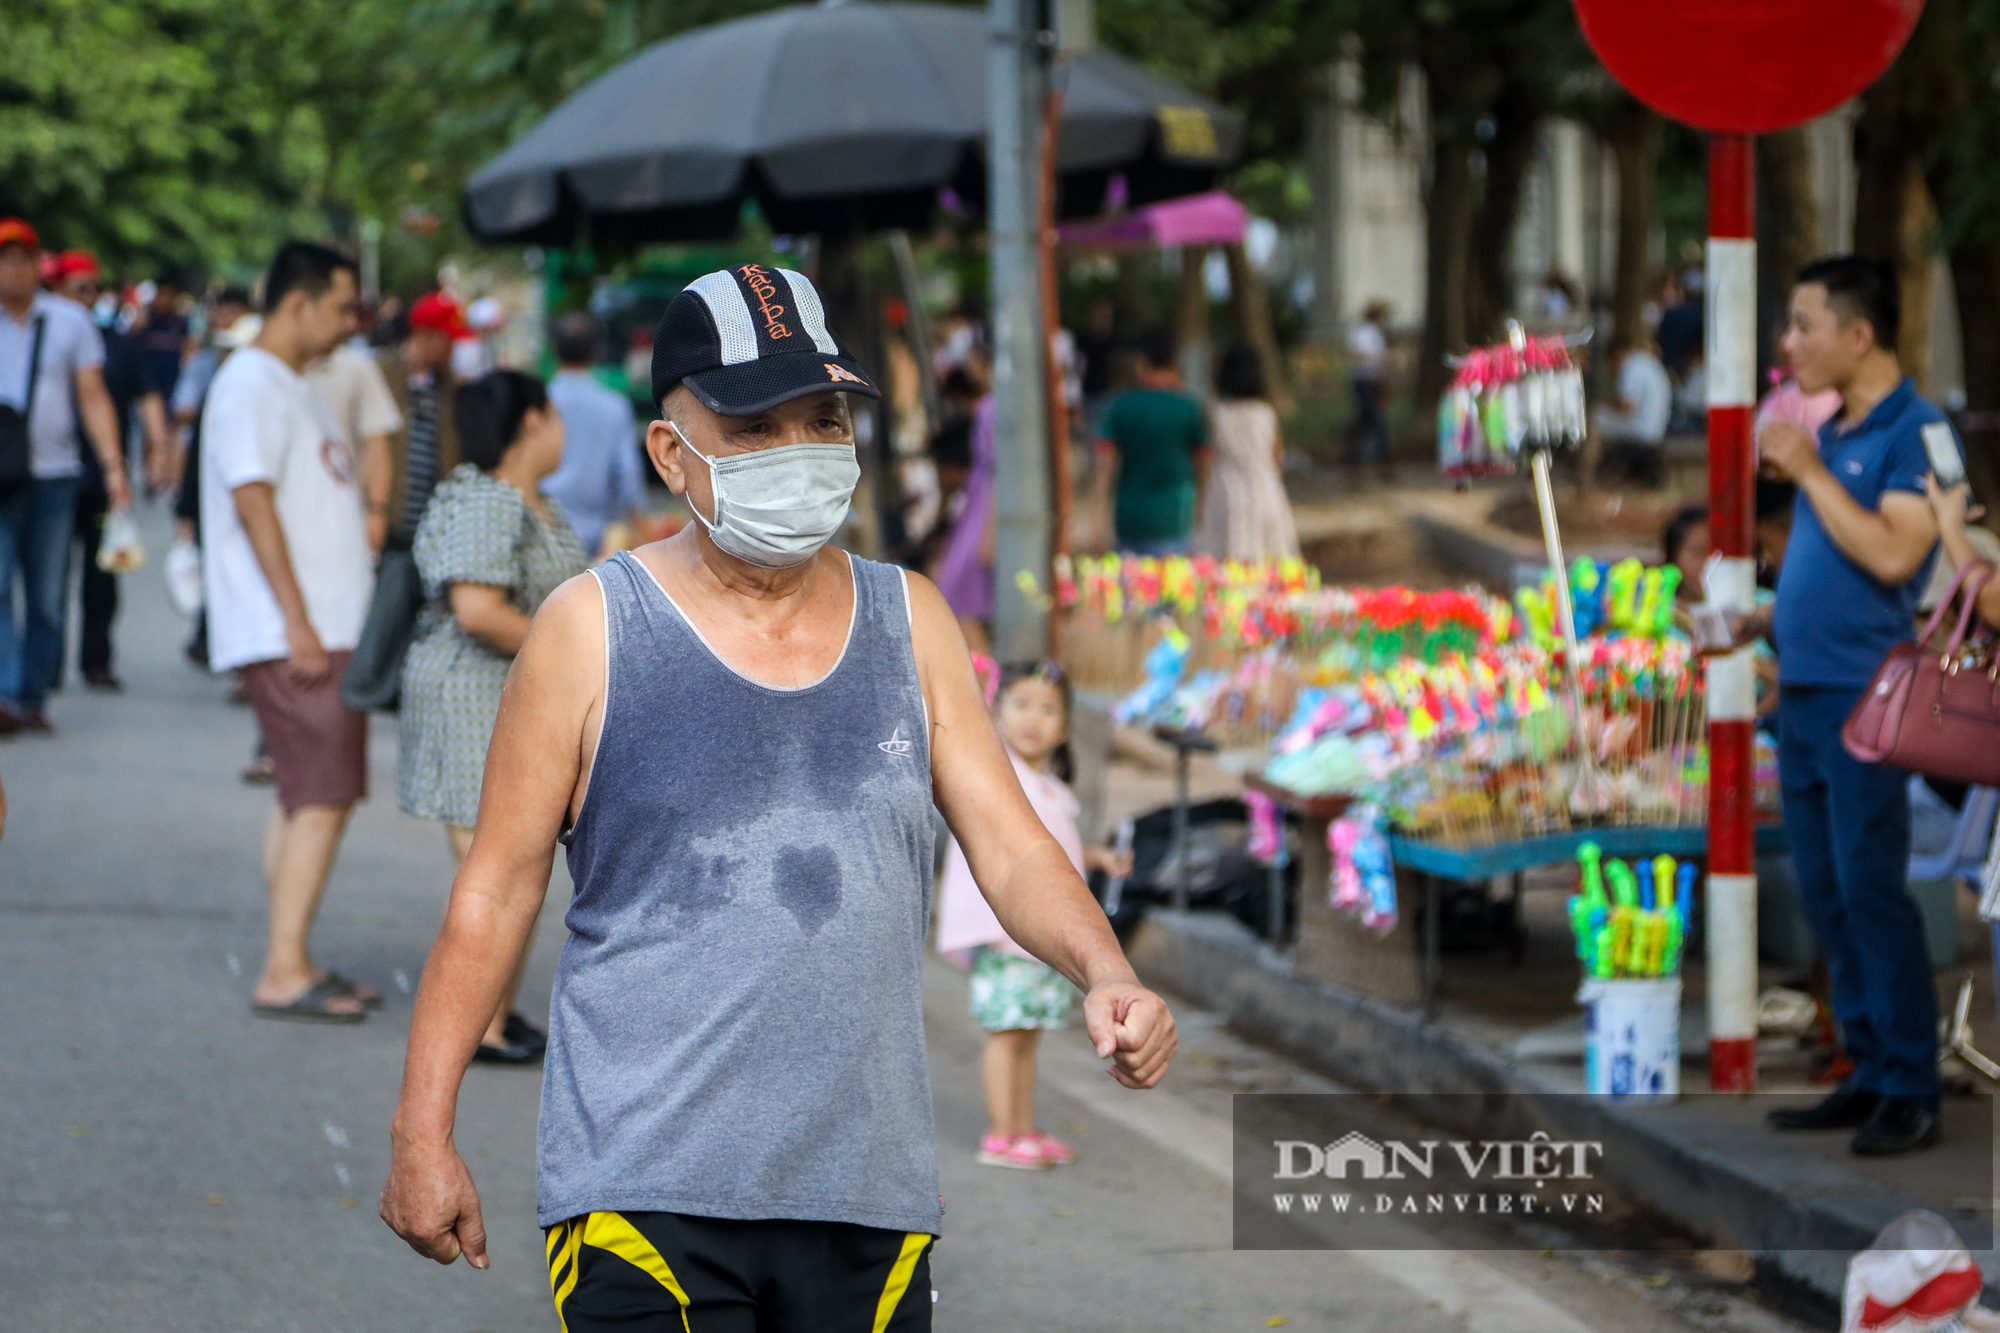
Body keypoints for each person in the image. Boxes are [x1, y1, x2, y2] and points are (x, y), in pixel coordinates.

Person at [380, 264, 1177, 1328]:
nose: (798, 454)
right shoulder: (588, 629)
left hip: (866, 1190)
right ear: (672, 453)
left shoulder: (912, 619)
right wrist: (420, 1134)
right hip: (643, 1184)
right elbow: (495, 892)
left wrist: (1104, 968)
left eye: (820, 420)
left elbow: (1013, 845)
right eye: (755, 429)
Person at [1736, 256, 1944, 1155]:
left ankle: (1911, 1083)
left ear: (1859, 335)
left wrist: (1812, 472)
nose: (1789, 345)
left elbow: (1898, 556)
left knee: (1871, 889)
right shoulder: (1841, 427)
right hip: (1806, 698)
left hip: (1870, 699)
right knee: (1824, 892)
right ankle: (1865, 1068)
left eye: (1804, 325)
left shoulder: (1916, 432)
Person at [199, 240, 378, 1022]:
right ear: (298, 303)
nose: (352, 322)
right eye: (343, 305)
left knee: (306, 794)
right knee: (324, 795)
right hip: (299, 629)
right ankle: (284, 966)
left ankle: (289, 950)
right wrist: (297, 621)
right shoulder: (251, 384)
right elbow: (252, 499)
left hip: (319, 623)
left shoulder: (290, 383)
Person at [398, 371, 586, 1063]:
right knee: (499, 869)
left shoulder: (532, 503)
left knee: (513, 861)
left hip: (511, 698)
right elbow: (478, 611)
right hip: (472, 698)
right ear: (532, 420)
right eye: (555, 413)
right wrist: (567, 649)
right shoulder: (487, 499)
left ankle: (496, 1015)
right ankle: (483, 1023)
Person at [936, 661, 1133, 1170]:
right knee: (1007, 1035)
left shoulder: (1048, 786)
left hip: (1039, 940)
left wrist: (1099, 858)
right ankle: (1003, 1134)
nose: (1033, 719)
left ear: (1065, 727)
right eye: (1020, 704)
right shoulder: (1002, 777)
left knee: (1026, 1034)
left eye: (1048, 710)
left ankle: (1021, 1128)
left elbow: (1052, 851)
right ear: (995, 713)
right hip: (1008, 935)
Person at [0, 218, 131, 735]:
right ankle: (6, 695)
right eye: (4, 258)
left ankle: (31, 696)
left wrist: (114, 466)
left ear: (39, 266)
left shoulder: (69, 323)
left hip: (55, 477)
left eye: (21, 258)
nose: (13, 268)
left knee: (47, 597)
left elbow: (93, 396)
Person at [53, 251, 170, 691]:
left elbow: (148, 396)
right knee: (48, 582)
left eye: (90, 289)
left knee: (102, 578)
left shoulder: (117, 345)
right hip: (47, 477)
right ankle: (41, 666)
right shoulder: (37, 338)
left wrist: (154, 451)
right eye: (75, 289)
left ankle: (95, 659)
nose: (85, 299)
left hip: (101, 477)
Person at [1092, 326, 1209, 556]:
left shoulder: (1120, 407)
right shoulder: (1189, 409)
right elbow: (1203, 466)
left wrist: (1096, 520)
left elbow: (1104, 469)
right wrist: (1200, 511)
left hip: (1129, 519)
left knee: (1133, 589)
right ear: (1174, 361)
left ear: (1140, 361)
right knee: (1173, 589)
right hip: (1175, 519)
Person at [541, 310, 645, 556]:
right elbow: (628, 476)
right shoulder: (614, 406)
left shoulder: (539, 405)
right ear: (597, 350)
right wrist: (642, 524)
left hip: (541, 532)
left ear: (554, 349)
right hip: (594, 542)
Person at [373, 293, 464, 553]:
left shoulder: (450, 387)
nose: (453, 349)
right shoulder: (381, 372)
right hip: (389, 524)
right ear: (426, 335)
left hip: (432, 530)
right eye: (449, 341)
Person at [1197, 343, 1300, 561]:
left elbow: (1206, 453)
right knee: (1270, 552)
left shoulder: (1215, 412)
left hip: (1226, 486)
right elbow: (1276, 456)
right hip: (1264, 485)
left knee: (1227, 551)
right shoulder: (1265, 412)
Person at [306, 336, 401, 553]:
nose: (348, 323)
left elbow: (377, 442)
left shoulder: (355, 366)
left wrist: (377, 510)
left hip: (344, 515)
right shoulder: (268, 370)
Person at [931, 364, 997, 654]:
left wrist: (990, 532)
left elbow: (1001, 472)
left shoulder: (992, 409)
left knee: (958, 595)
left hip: (986, 508)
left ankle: (986, 676)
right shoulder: (992, 407)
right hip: (980, 504)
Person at [1584, 338, 1673, 487]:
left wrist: (1603, 403)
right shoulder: (1644, 363)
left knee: (1597, 416)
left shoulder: (1632, 368)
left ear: (1616, 354)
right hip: (1655, 427)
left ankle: (1587, 475)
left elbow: (1628, 407)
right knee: (1601, 415)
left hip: (1642, 429)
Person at [1346, 301, 1391, 476]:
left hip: (1374, 382)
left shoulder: (1376, 335)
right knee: (1374, 422)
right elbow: (1356, 354)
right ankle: (1382, 464)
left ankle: (1357, 463)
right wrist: (1374, 361)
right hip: (1365, 381)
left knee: (1368, 423)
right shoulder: (1363, 334)